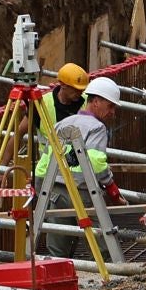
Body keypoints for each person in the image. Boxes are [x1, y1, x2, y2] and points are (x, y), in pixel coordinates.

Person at [36, 76, 122, 258]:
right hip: (83, 193)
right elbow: (97, 162)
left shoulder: (62, 124)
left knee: (58, 247)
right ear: (96, 102)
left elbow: (44, 163)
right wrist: (112, 189)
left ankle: (57, 281)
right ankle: (107, 281)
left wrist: (40, 190)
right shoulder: (97, 127)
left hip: (56, 194)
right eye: (111, 106)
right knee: (103, 244)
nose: (113, 112)